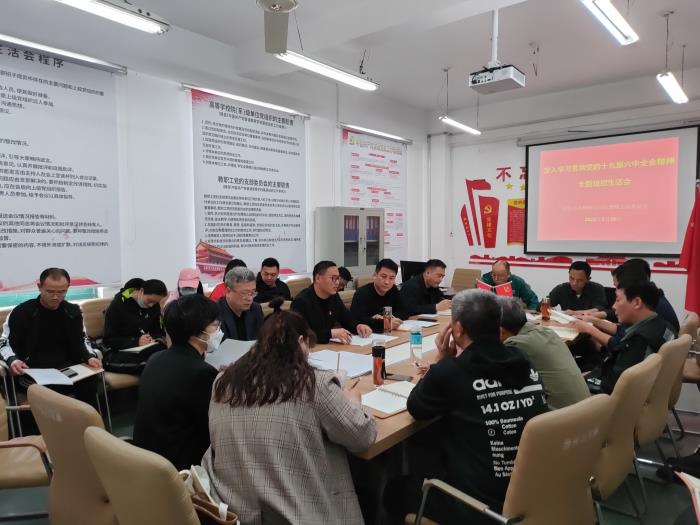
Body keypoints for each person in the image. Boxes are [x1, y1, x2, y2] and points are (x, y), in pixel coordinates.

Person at [202, 305, 376, 525]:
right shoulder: (313, 383)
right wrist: (353, 403)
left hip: (234, 508)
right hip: (297, 512)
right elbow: (362, 437)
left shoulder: (223, 381)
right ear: (301, 341)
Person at [389, 290, 548, 524]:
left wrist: (441, 359)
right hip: (532, 492)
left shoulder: (452, 371)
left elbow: (416, 407)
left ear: (458, 329)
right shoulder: (523, 360)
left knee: (395, 491)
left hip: (482, 507)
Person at [132, 294, 220, 470]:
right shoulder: (201, 372)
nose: (218, 330)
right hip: (179, 465)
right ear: (196, 332)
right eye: (214, 325)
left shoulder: (155, 358)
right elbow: (211, 430)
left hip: (147, 457)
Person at [0, 268, 102, 408]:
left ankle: (88, 421)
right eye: (50, 291)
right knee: (48, 393)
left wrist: (89, 356)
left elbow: (81, 340)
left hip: (66, 368)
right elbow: (4, 342)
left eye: (61, 292)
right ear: (39, 287)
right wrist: (13, 360)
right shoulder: (22, 312)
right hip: (33, 371)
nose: (55, 297)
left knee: (90, 381)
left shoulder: (72, 311)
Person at [584, 280, 675, 394]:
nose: (614, 306)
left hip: (619, 397)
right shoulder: (664, 325)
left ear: (637, 302)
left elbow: (611, 387)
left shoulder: (638, 341)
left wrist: (585, 379)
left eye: (618, 300)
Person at [499, 297, 589, 409]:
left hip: (560, 415)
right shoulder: (547, 331)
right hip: (585, 409)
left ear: (500, 331)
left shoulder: (515, 344)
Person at [291, 261, 372, 344]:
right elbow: (302, 334)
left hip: (329, 347)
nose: (337, 283)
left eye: (338, 278)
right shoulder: (301, 302)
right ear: (318, 278)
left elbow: (347, 318)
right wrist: (330, 334)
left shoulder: (334, 297)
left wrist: (357, 326)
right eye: (333, 278)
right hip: (310, 349)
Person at [102, 278, 168, 374]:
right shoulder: (117, 305)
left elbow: (158, 331)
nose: (151, 305)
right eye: (150, 301)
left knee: (165, 354)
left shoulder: (154, 306)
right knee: (155, 365)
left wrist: (152, 338)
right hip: (118, 351)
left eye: (155, 303)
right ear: (141, 291)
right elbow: (109, 340)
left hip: (144, 349)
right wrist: (136, 341)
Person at [350, 259, 406, 333]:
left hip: (389, 333)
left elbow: (404, 312)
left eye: (391, 278)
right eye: (383, 276)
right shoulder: (362, 293)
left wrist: (385, 318)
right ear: (374, 275)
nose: (387, 282)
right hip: (368, 335)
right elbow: (356, 320)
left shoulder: (393, 289)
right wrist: (385, 322)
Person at [217, 267, 264, 341]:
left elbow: (261, 339)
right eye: (244, 293)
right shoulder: (214, 313)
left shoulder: (256, 309)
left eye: (252, 292)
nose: (250, 299)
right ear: (228, 291)